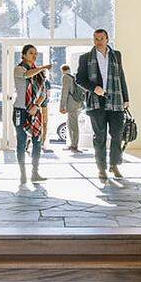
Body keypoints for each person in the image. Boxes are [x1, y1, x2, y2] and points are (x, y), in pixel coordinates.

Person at [75, 29, 130, 182]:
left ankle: (114, 164)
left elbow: (121, 76)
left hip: (116, 101)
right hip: (96, 103)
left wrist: (126, 98)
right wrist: (94, 88)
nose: (98, 41)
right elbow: (79, 79)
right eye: (96, 38)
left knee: (117, 134)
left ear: (107, 39)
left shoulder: (116, 55)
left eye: (101, 38)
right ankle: (101, 168)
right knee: (99, 137)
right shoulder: (85, 58)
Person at [13, 45, 52, 185]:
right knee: (21, 142)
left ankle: (35, 173)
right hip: (20, 110)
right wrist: (42, 68)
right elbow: (26, 75)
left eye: (36, 53)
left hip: (34, 110)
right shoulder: (19, 68)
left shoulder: (40, 74)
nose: (34, 55)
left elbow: (43, 94)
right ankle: (22, 174)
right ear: (23, 55)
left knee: (37, 142)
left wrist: (36, 105)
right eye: (31, 53)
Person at [58, 65, 85, 152]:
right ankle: (72, 144)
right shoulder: (74, 76)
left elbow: (64, 92)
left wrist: (61, 106)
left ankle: (74, 146)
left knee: (73, 125)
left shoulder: (66, 77)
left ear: (62, 70)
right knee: (70, 123)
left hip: (72, 104)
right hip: (78, 103)